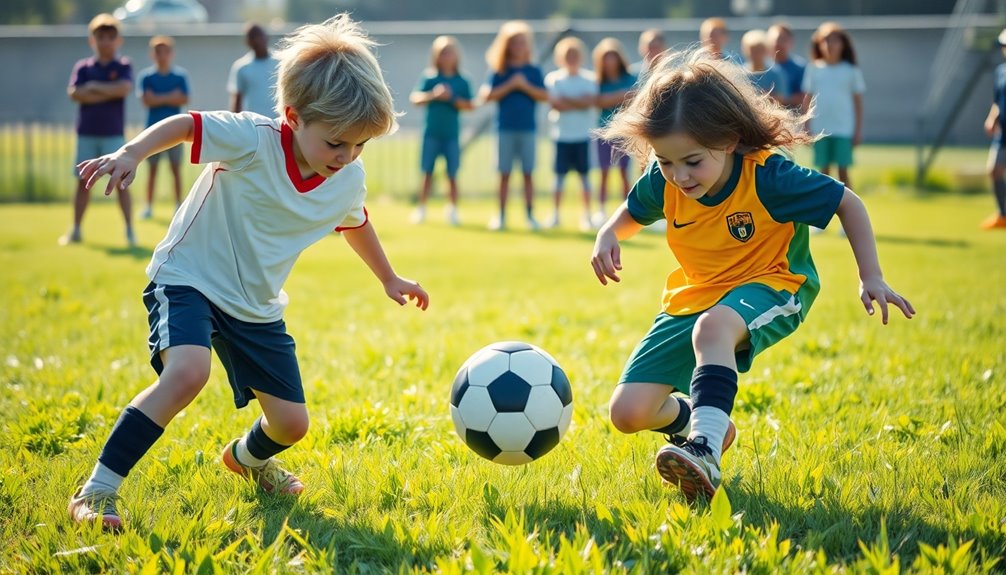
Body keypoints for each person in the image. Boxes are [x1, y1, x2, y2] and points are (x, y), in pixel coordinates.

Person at [67, 14, 430, 531]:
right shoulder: (253, 139)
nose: (347, 156)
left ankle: (246, 458)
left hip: (255, 303)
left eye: (360, 146)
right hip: (188, 276)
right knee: (189, 372)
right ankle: (96, 492)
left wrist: (389, 278)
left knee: (291, 424)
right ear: (294, 117)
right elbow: (186, 124)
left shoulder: (346, 177)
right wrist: (132, 152)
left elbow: (355, 222)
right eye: (336, 143)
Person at [591, 49, 913, 503]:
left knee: (714, 327)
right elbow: (635, 207)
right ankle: (707, 425)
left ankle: (703, 449)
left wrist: (871, 276)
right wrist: (608, 232)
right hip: (697, 292)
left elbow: (847, 202)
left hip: (775, 281)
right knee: (628, 413)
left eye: (692, 162)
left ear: (726, 141)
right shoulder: (666, 174)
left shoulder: (768, 177)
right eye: (666, 162)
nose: (678, 176)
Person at [61, 13, 135, 247]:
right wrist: (106, 91)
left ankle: (130, 231)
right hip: (87, 134)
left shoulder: (123, 65)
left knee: (122, 182)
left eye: (111, 37)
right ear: (92, 40)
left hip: (114, 135)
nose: (106, 42)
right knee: (83, 183)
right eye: (101, 37)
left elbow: (123, 89)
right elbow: (75, 93)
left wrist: (93, 88)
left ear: (118, 40)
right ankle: (75, 230)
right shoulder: (83, 67)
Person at [479, 20, 549, 231]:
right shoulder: (500, 70)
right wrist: (511, 85)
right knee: (504, 174)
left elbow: (544, 95)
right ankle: (500, 216)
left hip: (527, 129)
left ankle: (530, 215)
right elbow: (487, 95)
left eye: (522, 42)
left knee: (528, 173)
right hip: (505, 129)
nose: (519, 47)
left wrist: (524, 86)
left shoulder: (533, 70)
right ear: (506, 45)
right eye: (514, 43)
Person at [409, 35, 473, 226]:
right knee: (427, 172)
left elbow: (469, 105)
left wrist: (451, 98)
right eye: (443, 53)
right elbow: (415, 98)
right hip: (431, 134)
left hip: (451, 135)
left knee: (452, 174)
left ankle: (452, 209)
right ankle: (421, 208)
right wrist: (434, 95)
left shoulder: (462, 80)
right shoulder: (429, 77)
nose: (446, 56)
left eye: (449, 52)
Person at [801, 22, 865, 192]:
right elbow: (808, 99)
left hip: (843, 128)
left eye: (835, 41)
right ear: (819, 44)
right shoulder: (814, 69)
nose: (830, 45)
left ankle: (852, 207)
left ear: (843, 44)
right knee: (823, 171)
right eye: (826, 41)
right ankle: (825, 207)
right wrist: (806, 126)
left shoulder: (851, 71)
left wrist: (857, 130)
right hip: (820, 128)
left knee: (843, 171)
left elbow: (858, 102)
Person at [545, 36, 597, 230]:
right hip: (562, 137)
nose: (572, 58)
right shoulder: (554, 78)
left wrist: (568, 101)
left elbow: (590, 102)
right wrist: (578, 102)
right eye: (568, 55)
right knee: (558, 178)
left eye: (575, 54)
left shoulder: (589, 79)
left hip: (582, 137)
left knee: (585, 178)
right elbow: (555, 104)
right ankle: (556, 215)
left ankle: (587, 216)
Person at [136, 35, 189, 219]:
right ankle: (148, 206)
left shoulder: (180, 76)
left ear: (171, 54)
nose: (162, 56)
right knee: (152, 170)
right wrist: (169, 96)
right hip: (152, 130)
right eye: (158, 52)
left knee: (175, 169)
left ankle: (178, 205)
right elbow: (146, 100)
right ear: (153, 54)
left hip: (176, 132)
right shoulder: (146, 77)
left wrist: (158, 98)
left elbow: (183, 98)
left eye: (165, 51)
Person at [593, 38, 637, 220]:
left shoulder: (630, 78)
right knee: (603, 172)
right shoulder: (598, 82)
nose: (610, 62)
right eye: (606, 58)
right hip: (604, 131)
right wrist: (619, 96)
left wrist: (618, 97)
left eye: (612, 57)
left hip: (624, 132)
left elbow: (634, 98)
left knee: (624, 172)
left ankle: (627, 210)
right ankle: (601, 211)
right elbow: (598, 101)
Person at [981, 28, 1006, 230]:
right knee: (994, 170)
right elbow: (997, 101)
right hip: (1003, 134)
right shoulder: (1000, 72)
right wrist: (992, 118)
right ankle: (1002, 214)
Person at [228, 23, 279, 117]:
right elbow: (237, 100)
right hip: (254, 125)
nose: (257, 41)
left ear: (266, 37)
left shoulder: (280, 61)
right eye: (252, 37)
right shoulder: (241, 67)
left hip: (279, 123)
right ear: (247, 42)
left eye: (259, 36)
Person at [740, 29, 789, 104]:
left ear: (766, 50)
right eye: (752, 50)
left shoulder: (776, 73)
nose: (756, 54)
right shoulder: (739, 73)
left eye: (759, 50)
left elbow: (782, 100)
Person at [767, 23, 807, 108]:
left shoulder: (800, 67)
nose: (777, 43)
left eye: (782, 40)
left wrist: (782, 100)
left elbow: (806, 96)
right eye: (774, 40)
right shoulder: (762, 67)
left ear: (791, 42)